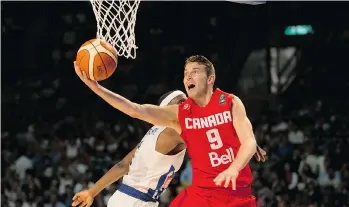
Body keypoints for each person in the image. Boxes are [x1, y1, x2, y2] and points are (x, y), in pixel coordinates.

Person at [73, 55, 262, 207]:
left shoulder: (152, 136)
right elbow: (134, 110)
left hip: (129, 199)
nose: (184, 104)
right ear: (165, 113)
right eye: (178, 103)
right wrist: (96, 88)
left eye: (194, 72)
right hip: (138, 201)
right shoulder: (174, 128)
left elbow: (123, 165)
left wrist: (92, 191)